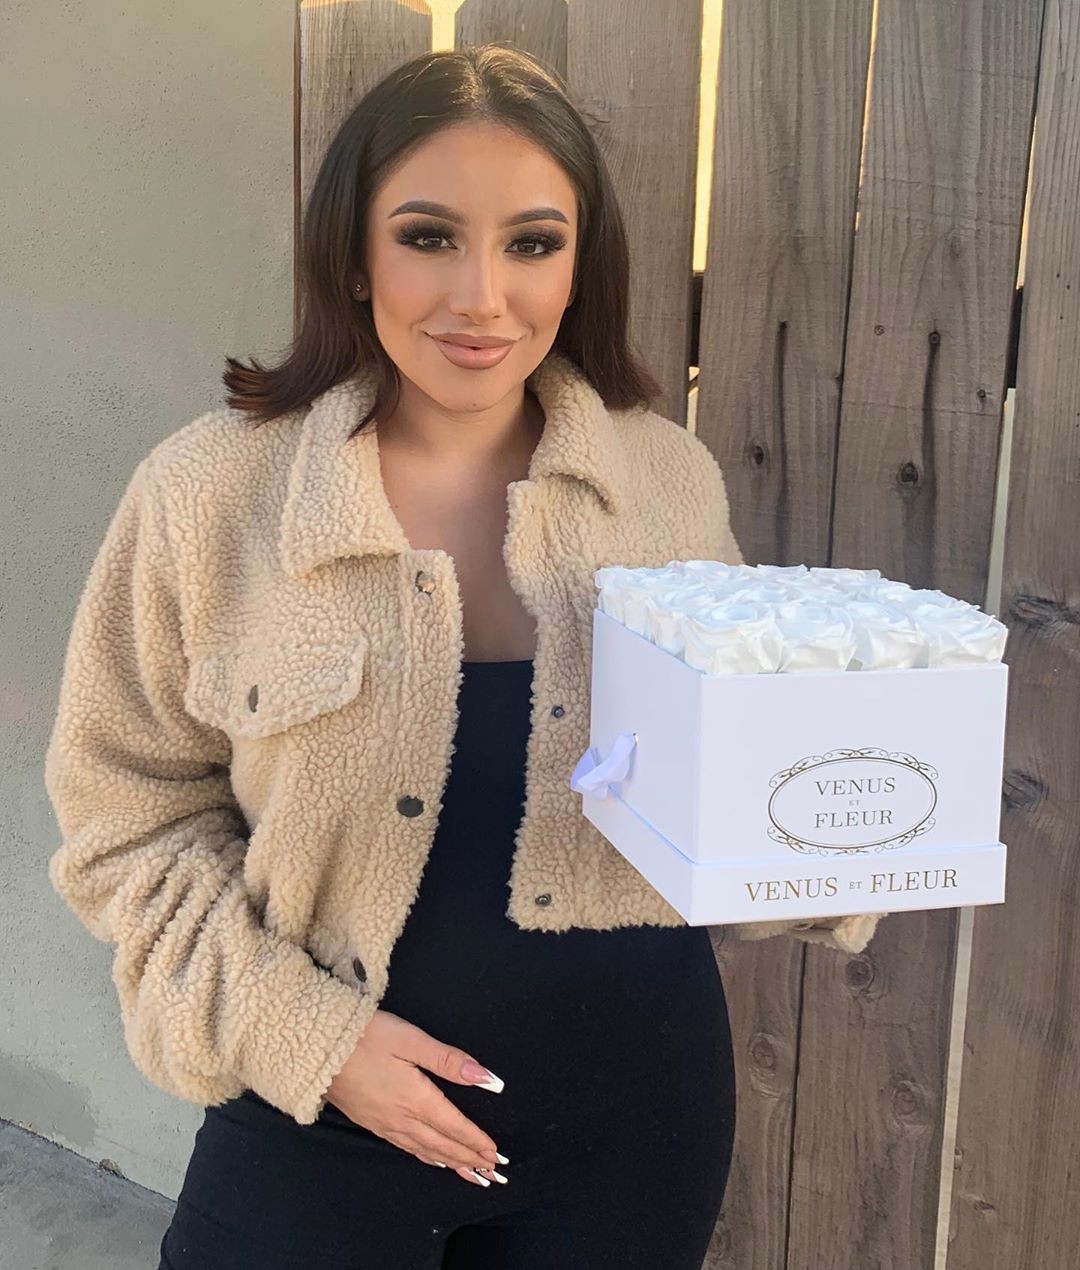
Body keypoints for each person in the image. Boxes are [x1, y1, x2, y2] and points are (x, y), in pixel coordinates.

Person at [44, 44, 882, 1270]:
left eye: (532, 243)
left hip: (634, 1131)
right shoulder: (211, 494)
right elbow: (124, 825)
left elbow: (733, 779)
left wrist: (848, 838)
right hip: (312, 1116)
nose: (481, 296)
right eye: (429, 236)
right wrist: (313, 1041)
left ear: (580, 261)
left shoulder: (665, 482)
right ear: (354, 251)